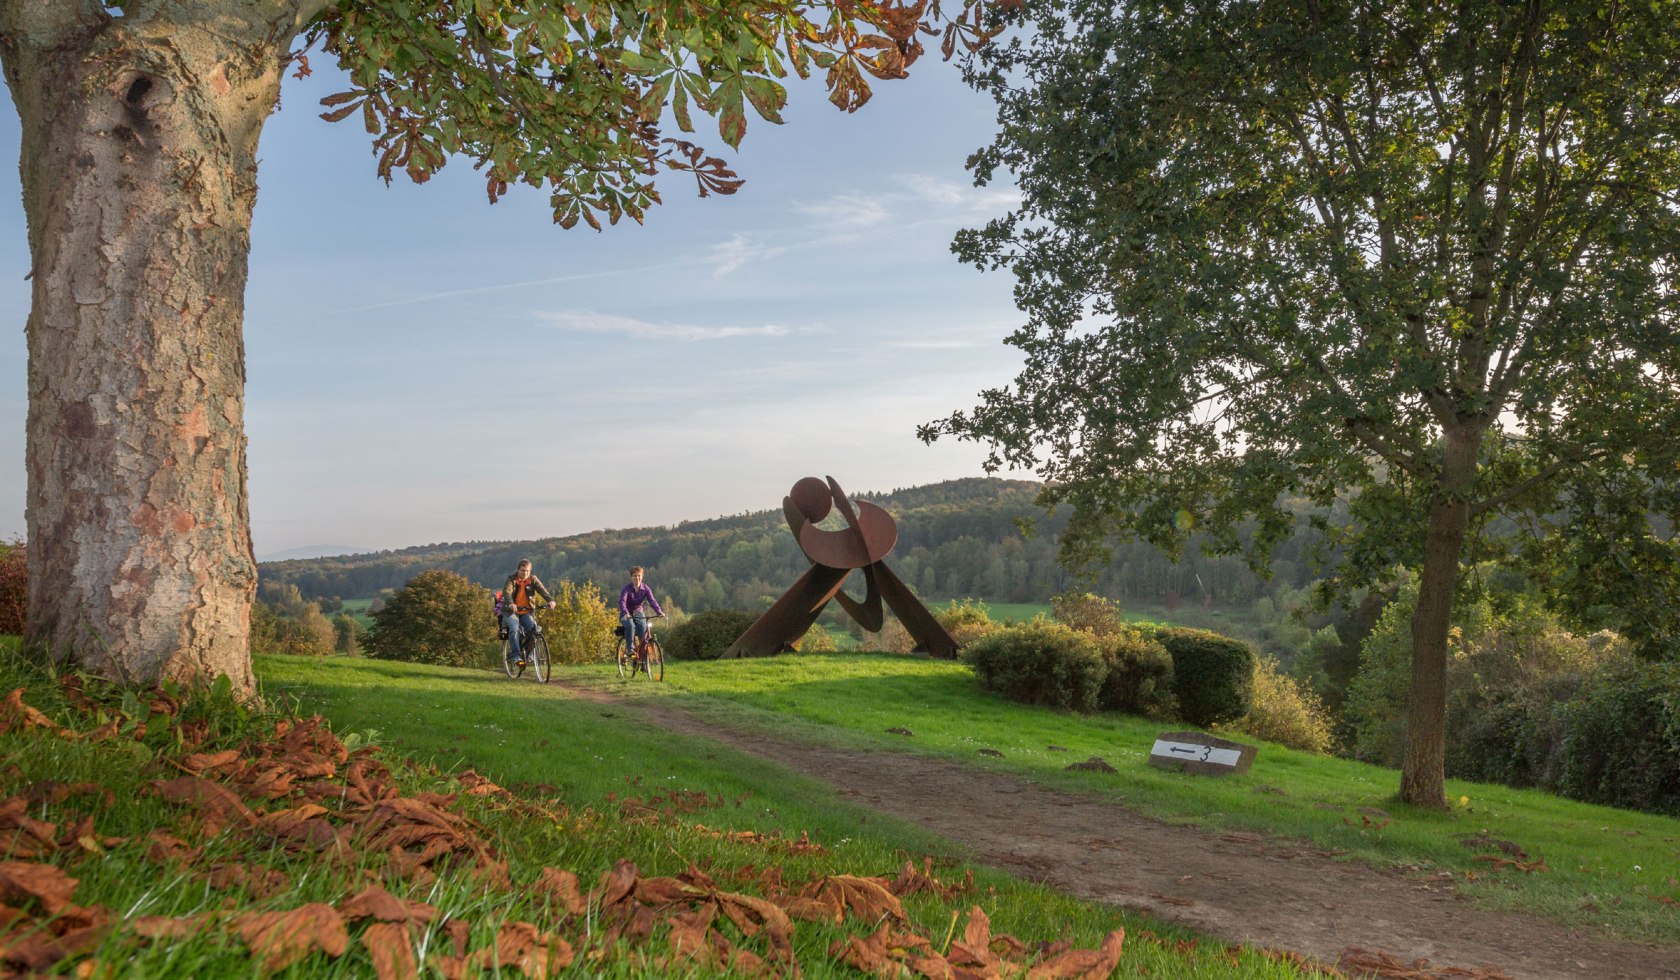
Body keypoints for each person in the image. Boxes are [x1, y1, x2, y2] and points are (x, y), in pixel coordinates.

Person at [501, 559, 555, 665]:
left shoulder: (533, 579)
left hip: (526, 611)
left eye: (527, 571)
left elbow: (542, 590)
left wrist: (550, 600)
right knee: (514, 629)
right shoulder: (511, 579)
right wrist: (511, 603)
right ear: (518, 570)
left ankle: (528, 653)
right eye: (523, 570)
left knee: (534, 630)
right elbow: (507, 592)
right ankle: (515, 656)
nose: (525, 573)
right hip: (511, 611)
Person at [618, 566, 665, 664]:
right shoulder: (626, 589)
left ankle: (643, 658)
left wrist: (659, 611)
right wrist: (626, 613)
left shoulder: (646, 588)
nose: (637, 578)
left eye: (639, 576)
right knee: (630, 626)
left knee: (643, 632)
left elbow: (652, 601)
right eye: (634, 576)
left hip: (639, 613)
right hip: (626, 614)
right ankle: (630, 650)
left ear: (642, 577)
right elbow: (622, 602)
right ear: (631, 577)